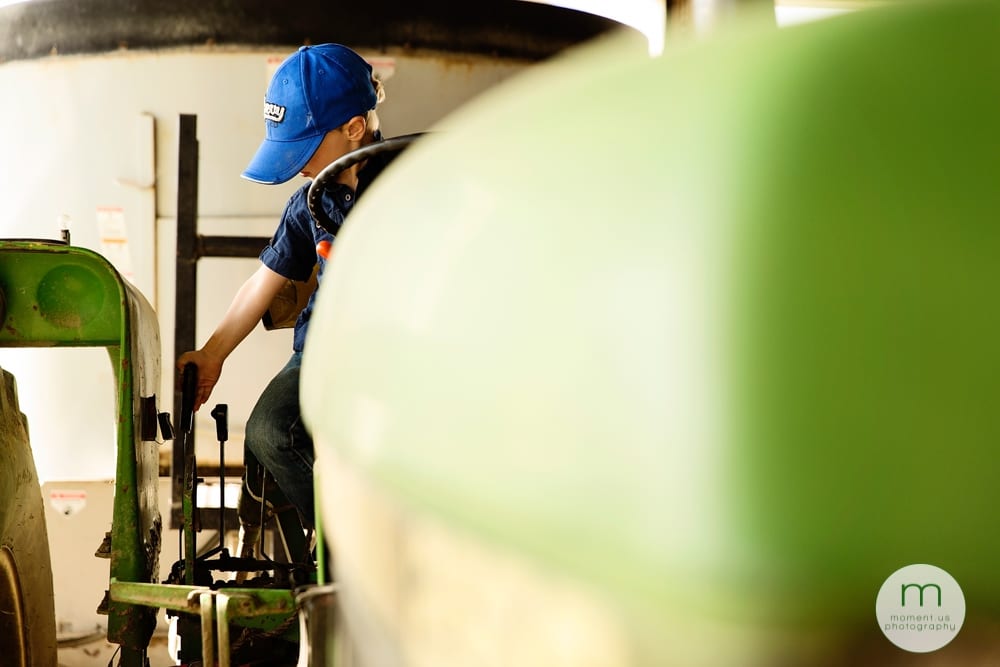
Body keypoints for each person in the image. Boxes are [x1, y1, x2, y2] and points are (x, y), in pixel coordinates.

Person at [177, 43, 390, 529]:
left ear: (354, 128)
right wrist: (212, 355)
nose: (296, 165)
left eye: (305, 146)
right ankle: (339, 547)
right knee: (271, 431)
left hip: (397, 352)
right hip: (324, 350)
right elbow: (263, 282)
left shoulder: (413, 185)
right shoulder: (309, 202)